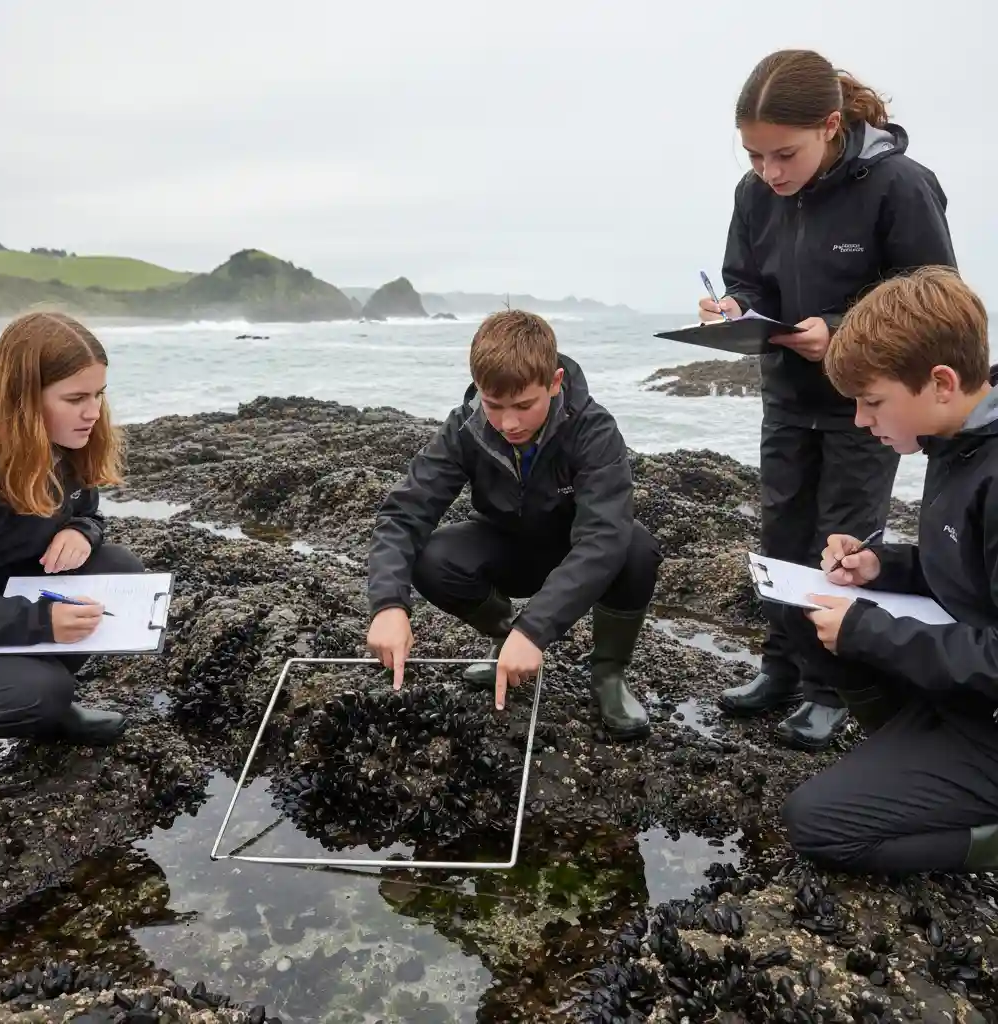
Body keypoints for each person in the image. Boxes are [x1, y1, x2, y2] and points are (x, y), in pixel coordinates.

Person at [699, 48, 958, 753]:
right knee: (781, 535)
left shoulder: (900, 185)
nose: (768, 173)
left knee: (843, 541)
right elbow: (747, 279)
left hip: (869, 404)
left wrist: (841, 330)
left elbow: (935, 298)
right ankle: (781, 669)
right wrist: (733, 308)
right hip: (787, 393)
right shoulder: (754, 196)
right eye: (754, 157)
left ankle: (829, 691)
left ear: (832, 126)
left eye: (784, 154)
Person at [778, 267, 998, 874]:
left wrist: (869, 629)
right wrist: (883, 566)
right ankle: (912, 748)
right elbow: (969, 571)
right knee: (809, 611)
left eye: (872, 403)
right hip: (966, 688)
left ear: (941, 383)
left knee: (818, 826)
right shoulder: (955, 439)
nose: (860, 421)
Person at [365, 310, 661, 739]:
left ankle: (608, 675)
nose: (509, 423)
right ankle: (504, 640)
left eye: (524, 405)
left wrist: (536, 629)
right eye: (494, 405)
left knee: (635, 550)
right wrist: (388, 605)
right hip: (507, 546)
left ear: (555, 382)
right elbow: (403, 514)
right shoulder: (465, 427)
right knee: (433, 557)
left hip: (574, 549)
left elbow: (602, 537)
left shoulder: (593, 430)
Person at [0, 312, 145, 778]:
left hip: (1, 603)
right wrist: (39, 621)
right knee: (38, 695)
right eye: (76, 398)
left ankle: (40, 699)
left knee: (117, 569)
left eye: (98, 395)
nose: (93, 412)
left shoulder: (58, 434)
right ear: (21, 399)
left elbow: (86, 508)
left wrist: (80, 531)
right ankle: (35, 699)